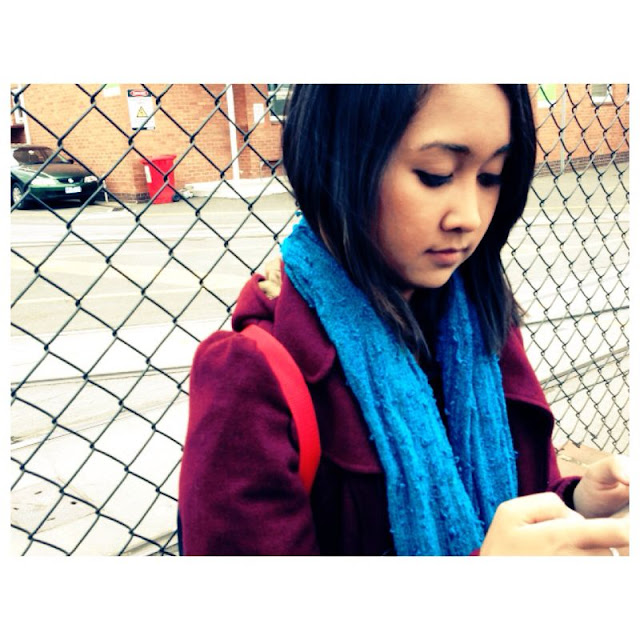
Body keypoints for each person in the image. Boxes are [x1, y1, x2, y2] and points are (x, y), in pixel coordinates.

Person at [178, 84, 630, 555]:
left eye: (491, 176)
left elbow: (515, 506)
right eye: (436, 175)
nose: (470, 217)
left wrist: (576, 503)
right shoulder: (252, 375)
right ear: (339, 157)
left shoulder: (481, 325)